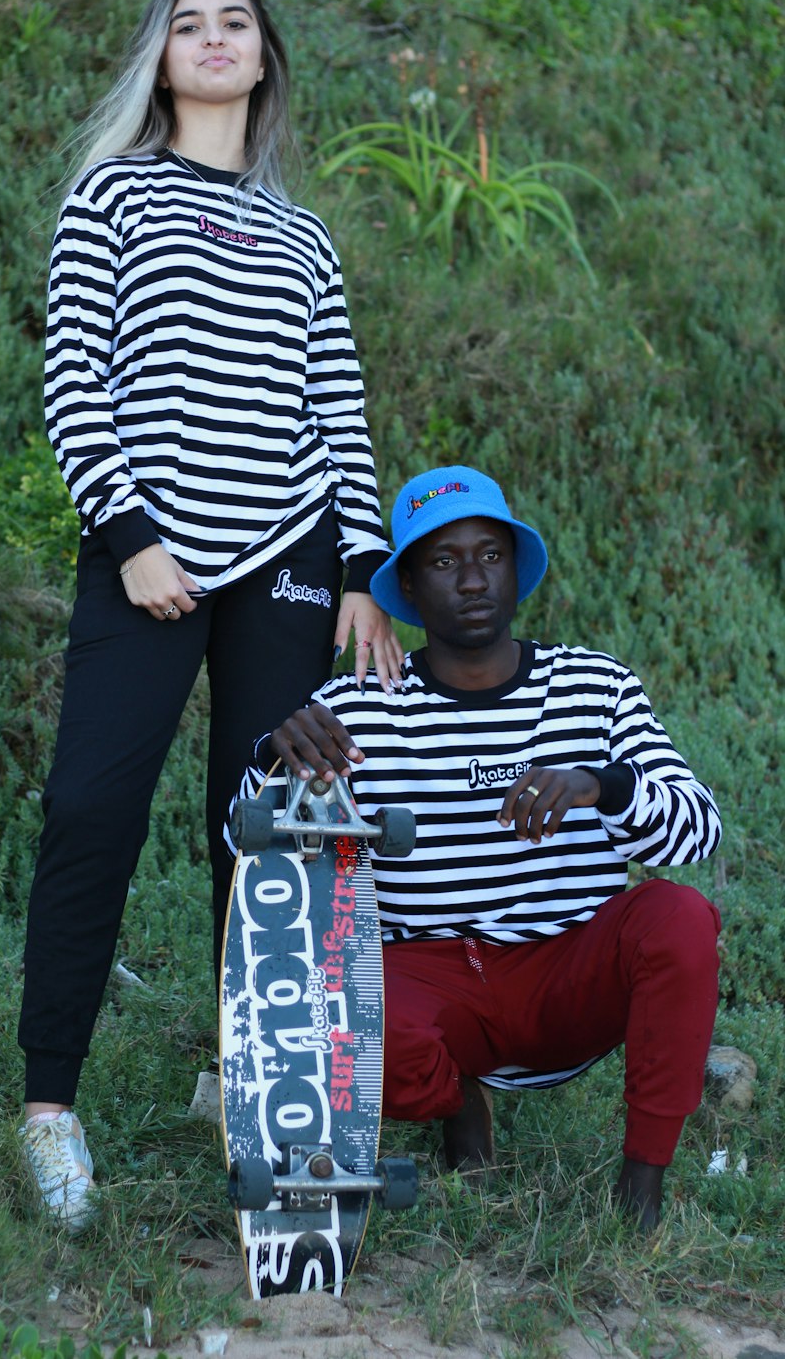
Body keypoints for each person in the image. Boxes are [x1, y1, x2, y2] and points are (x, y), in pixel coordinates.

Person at [17, 0, 403, 1228]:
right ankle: (49, 1111)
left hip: (288, 557)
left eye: (235, 21)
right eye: (188, 24)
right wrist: (126, 536)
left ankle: (253, 1080)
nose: (214, 38)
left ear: (264, 56)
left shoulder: (304, 233)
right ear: (161, 58)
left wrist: (358, 569)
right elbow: (76, 375)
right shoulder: (112, 194)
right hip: (150, 554)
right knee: (90, 806)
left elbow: (333, 405)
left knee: (264, 835)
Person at [245, 465, 722, 1231]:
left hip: (567, 968)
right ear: (406, 586)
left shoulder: (596, 688)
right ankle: (458, 1107)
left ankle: (642, 1191)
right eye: (443, 561)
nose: (472, 579)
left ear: (516, 570)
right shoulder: (358, 706)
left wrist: (605, 786)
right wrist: (271, 755)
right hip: (430, 979)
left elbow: (698, 829)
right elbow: (263, 854)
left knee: (680, 917)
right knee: (335, 1000)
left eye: (490, 555)